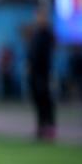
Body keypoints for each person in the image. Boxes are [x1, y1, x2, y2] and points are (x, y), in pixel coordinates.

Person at [27, 9, 56, 141]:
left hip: (43, 73)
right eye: (38, 16)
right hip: (34, 74)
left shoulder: (47, 34)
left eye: (42, 16)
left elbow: (47, 53)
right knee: (38, 101)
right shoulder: (36, 34)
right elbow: (32, 54)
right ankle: (40, 127)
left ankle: (49, 127)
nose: (39, 19)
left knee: (46, 101)